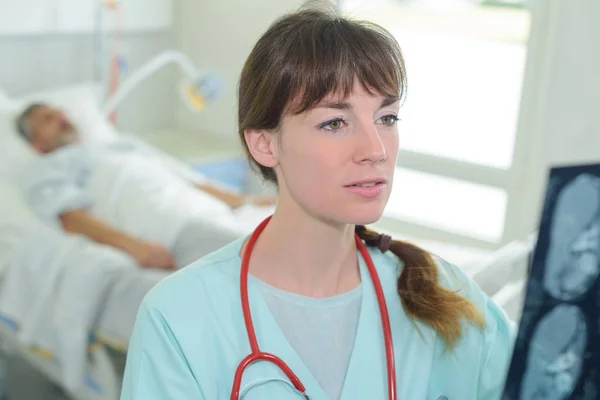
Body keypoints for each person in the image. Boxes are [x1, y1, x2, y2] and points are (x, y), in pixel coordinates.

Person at [120, 3, 516, 400]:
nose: (375, 149)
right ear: (264, 143)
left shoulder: (440, 292)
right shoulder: (178, 318)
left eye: (387, 118)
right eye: (334, 123)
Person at [15, 103, 274, 270]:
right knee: (269, 261)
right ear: (37, 143)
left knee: (288, 243)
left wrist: (245, 201)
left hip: (205, 209)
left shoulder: (120, 145)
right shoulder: (47, 168)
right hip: (171, 224)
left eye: (60, 112)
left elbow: (183, 177)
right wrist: (135, 247)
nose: (61, 117)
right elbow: (71, 217)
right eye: (48, 119)